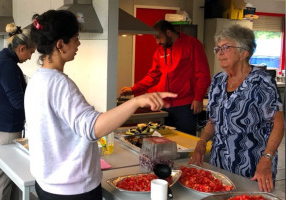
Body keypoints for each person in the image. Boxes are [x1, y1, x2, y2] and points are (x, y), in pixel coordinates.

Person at [25, 10, 177, 200]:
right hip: (73, 190)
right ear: (60, 45)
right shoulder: (59, 83)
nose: (79, 43)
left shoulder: (37, 79)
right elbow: (92, 128)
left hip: (48, 186)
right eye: (75, 38)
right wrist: (136, 101)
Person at [188, 24, 284, 193]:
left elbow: (278, 125)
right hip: (219, 164)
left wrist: (266, 159)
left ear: (243, 53)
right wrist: (202, 142)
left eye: (226, 47)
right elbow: (214, 120)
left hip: (253, 165)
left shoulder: (261, 82)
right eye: (217, 48)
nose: (219, 52)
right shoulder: (218, 81)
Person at [120, 19, 211, 135]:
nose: (157, 42)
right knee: (164, 141)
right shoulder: (159, 52)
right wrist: (134, 89)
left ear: (168, 33)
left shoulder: (192, 44)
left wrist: (198, 98)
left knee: (186, 141)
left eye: (159, 37)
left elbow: (203, 74)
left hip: (185, 106)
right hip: (163, 105)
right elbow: (152, 76)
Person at [0, 23, 35, 200]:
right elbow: (17, 101)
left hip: (1, 125)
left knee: (9, 177)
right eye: (31, 52)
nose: (30, 57)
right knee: (2, 178)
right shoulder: (7, 65)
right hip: (5, 129)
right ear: (21, 48)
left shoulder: (3, 59)